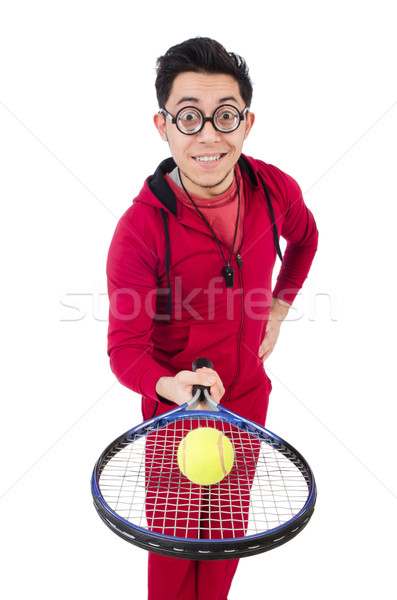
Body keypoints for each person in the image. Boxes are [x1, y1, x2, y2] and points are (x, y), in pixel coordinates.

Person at [106, 37, 318, 600]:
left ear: (246, 123)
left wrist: (280, 304)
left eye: (225, 116)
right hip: (174, 413)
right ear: (162, 125)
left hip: (247, 399)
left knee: (222, 551)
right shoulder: (139, 231)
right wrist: (171, 385)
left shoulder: (273, 188)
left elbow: (306, 238)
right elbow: (125, 349)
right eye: (189, 117)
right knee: (174, 561)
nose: (208, 135)